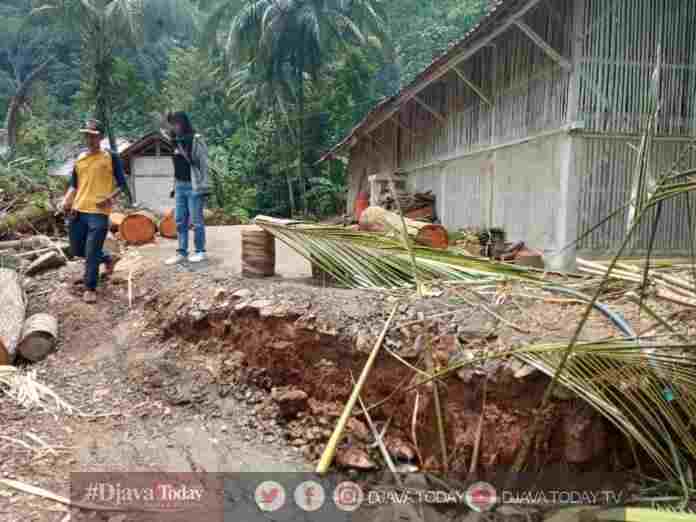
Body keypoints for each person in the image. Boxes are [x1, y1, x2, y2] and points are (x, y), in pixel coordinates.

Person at [61, 119, 129, 303]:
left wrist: (110, 197)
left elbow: (122, 184)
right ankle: (107, 258)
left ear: (101, 137)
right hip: (78, 210)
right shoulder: (80, 158)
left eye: (93, 135)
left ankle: (90, 287)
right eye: (86, 135)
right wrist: (66, 201)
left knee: (91, 251)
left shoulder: (111, 157)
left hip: (99, 212)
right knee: (77, 249)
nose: (89, 139)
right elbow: (75, 184)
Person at [164, 111, 210, 265]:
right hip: (179, 185)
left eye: (176, 123)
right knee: (179, 220)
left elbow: (203, 164)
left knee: (196, 220)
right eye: (172, 123)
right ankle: (182, 252)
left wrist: (204, 186)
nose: (174, 126)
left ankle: (200, 251)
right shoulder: (174, 141)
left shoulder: (195, 140)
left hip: (193, 185)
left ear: (184, 123)